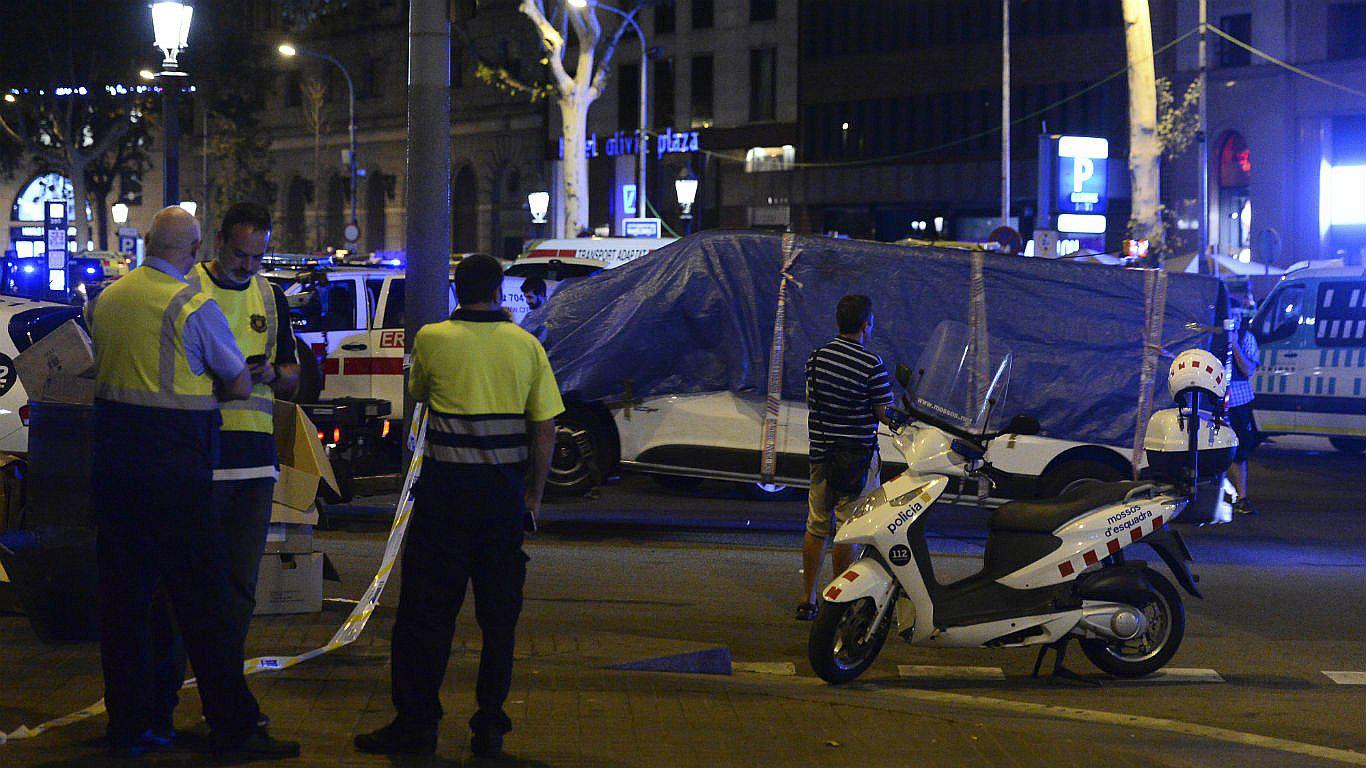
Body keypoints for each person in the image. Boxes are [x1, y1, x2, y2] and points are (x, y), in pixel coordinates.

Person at [89, 206, 297, 759]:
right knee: (205, 606)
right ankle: (232, 724)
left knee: (126, 606)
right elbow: (233, 383)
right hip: (178, 473)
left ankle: (132, 725)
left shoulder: (108, 299)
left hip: (113, 472)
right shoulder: (191, 304)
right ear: (200, 245)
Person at [355, 254, 563, 758]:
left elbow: (420, 395)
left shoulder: (432, 339)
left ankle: (417, 726)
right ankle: (489, 728)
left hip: (443, 504)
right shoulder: (528, 346)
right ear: (498, 291)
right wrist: (532, 497)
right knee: (498, 622)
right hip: (500, 506)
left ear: (457, 289)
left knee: (424, 619)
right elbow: (545, 429)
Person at [149, 202, 301, 731]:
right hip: (201, 459)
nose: (249, 265)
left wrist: (272, 374)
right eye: (241, 253)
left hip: (254, 464)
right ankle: (164, 700)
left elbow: (294, 376)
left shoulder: (269, 295)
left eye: (258, 255)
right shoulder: (186, 288)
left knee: (238, 589)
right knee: (183, 587)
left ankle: (224, 699)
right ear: (216, 242)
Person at [798, 294, 892, 621]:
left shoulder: (815, 358)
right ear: (866, 324)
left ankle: (807, 598)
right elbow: (883, 413)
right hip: (856, 460)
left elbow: (813, 401)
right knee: (847, 529)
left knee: (817, 526)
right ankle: (837, 602)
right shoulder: (871, 364)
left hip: (822, 456)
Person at [1227, 303, 1262, 514]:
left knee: (1239, 449)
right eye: (1231, 316)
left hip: (1239, 401)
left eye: (1237, 317)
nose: (1234, 320)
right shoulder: (1212, 337)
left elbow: (1248, 369)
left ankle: (1242, 497)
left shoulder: (1246, 338)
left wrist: (1234, 345)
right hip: (1214, 400)